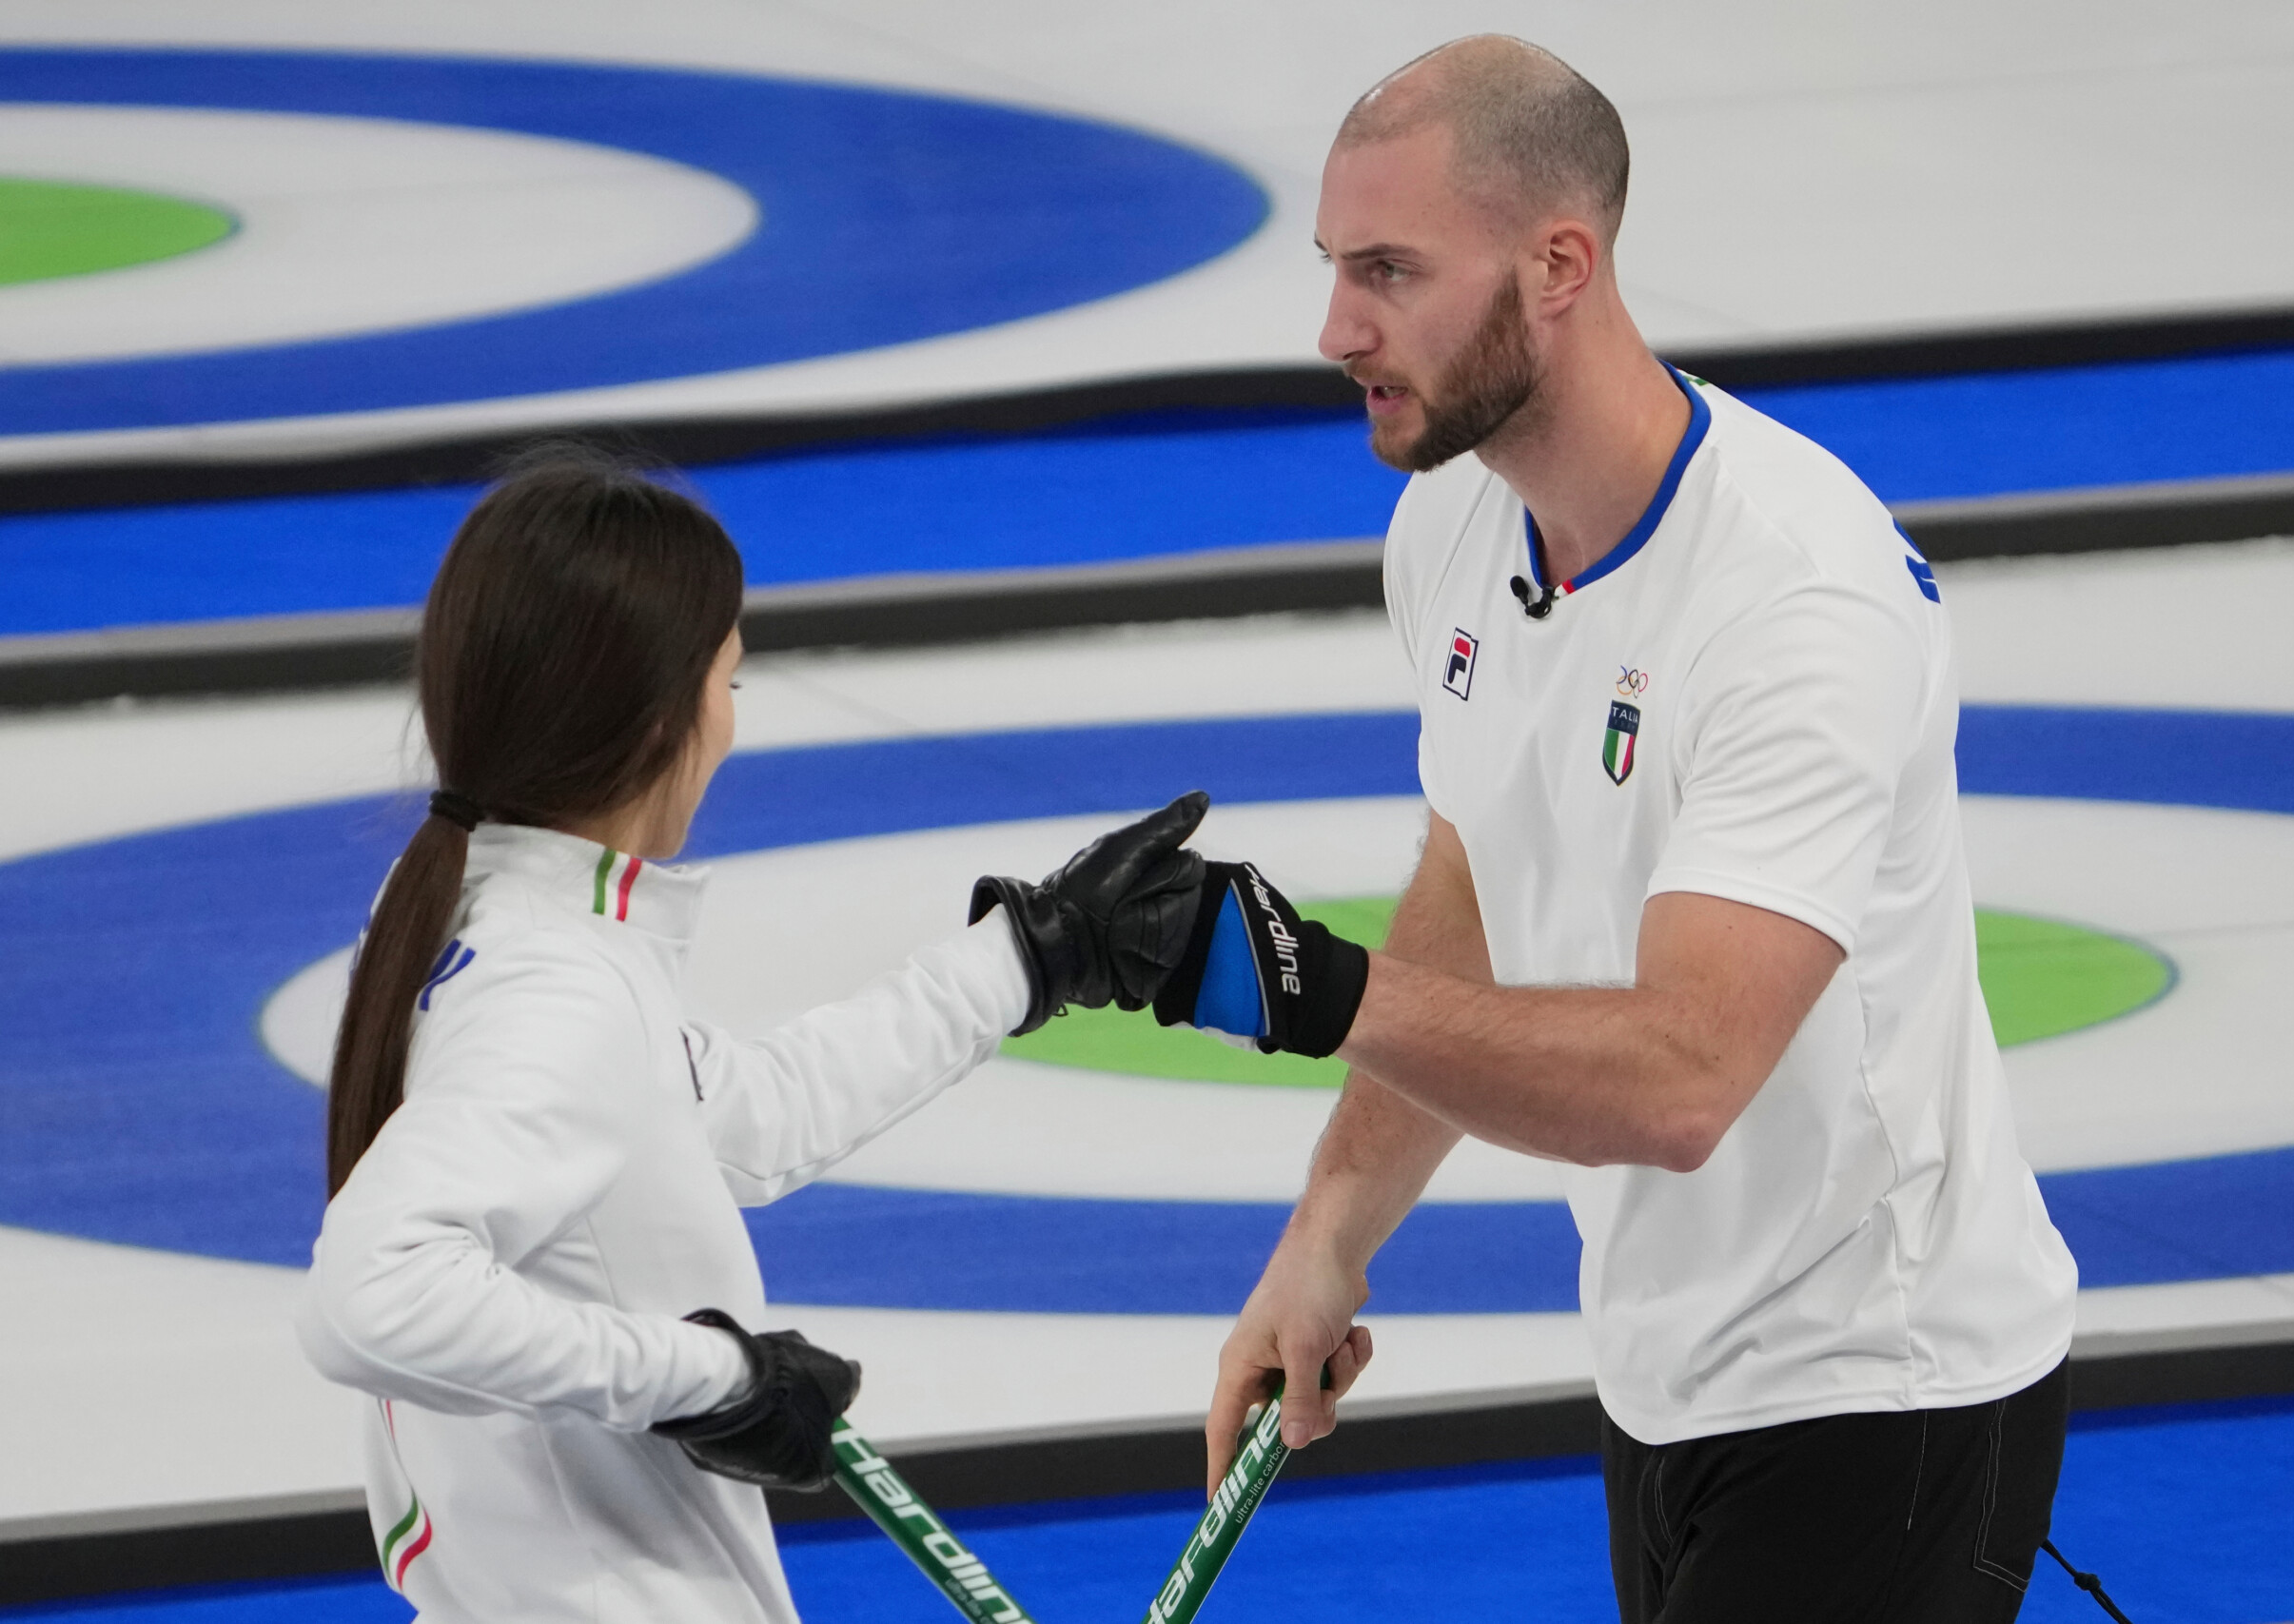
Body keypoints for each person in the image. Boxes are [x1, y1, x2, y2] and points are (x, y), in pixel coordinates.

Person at [1151, 36, 2079, 1622]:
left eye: (1390, 271)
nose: (1337, 328)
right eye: (1335, 267)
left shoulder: (1797, 603)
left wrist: (1304, 985)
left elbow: (1683, 1077)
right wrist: (1329, 1232)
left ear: (1559, 264)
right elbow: (1476, 869)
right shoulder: (1451, 521)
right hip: (1663, 1377)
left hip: (1884, 1386)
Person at [297, 455, 1207, 1624]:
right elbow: (369, 1296)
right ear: (657, 717)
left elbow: (736, 1121)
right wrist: (713, 1377)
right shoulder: (557, 987)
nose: (731, 718)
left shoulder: (470, 915)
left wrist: (1029, 958)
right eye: (727, 678)